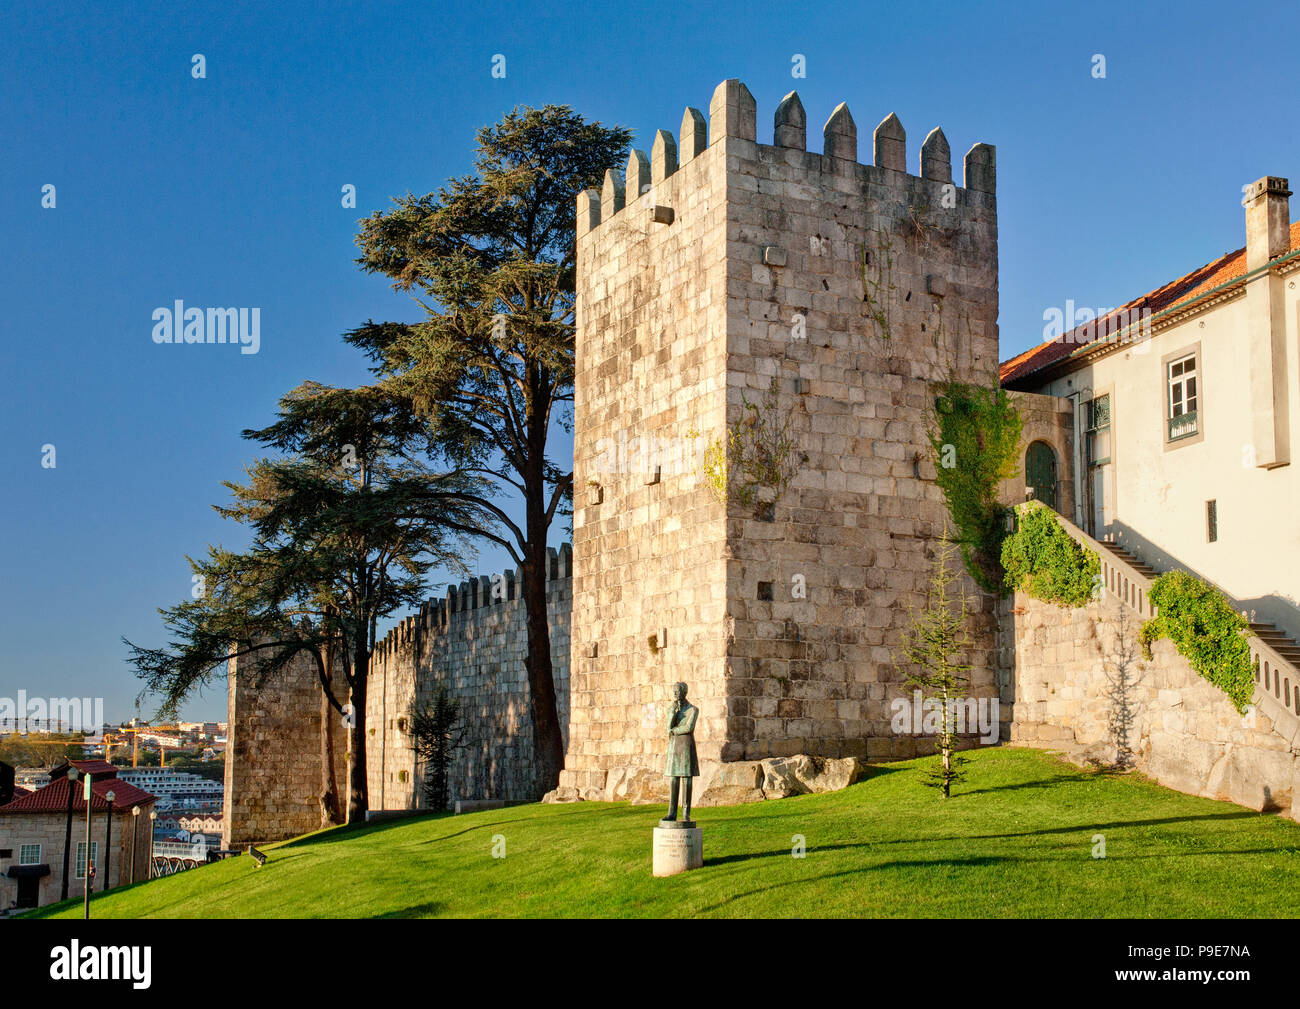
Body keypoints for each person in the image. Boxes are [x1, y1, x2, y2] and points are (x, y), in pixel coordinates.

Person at [662, 682, 699, 822]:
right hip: (674, 746)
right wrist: (672, 713)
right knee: (673, 778)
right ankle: (671, 812)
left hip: (686, 746)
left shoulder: (693, 710)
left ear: (684, 692)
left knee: (687, 779)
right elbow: (667, 728)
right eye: (674, 691)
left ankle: (686, 813)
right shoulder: (672, 709)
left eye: (677, 691)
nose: (675, 694)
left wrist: (674, 731)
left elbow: (689, 727)